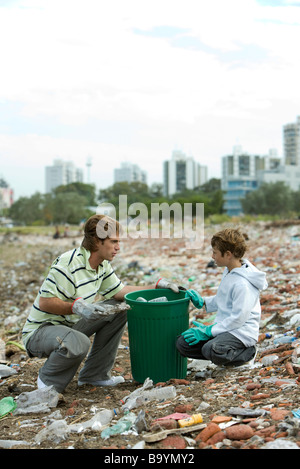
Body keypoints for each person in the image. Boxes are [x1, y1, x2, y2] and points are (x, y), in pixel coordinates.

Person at [22, 214, 177, 393]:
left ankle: (95, 375)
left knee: (121, 309)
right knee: (78, 342)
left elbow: (120, 292)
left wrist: (157, 286)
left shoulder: (101, 265)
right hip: (41, 331)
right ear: (97, 242)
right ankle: (47, 383)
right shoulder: (68, 264)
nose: (118, 247)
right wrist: (76, 307)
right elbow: (45, 303)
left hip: (70, 326)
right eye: (113, 242)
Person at [176, 228, 268, 367]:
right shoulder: (229, 271)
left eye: (215, 252)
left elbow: (238, 319)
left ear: (228, 254)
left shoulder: (243, 284)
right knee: (183, 343)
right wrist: (203, 302)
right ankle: (224, 352)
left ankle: (247, 354)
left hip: (241, 332)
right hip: (225, 328)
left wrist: (208, 331)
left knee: (212, 349)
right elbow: (224, 299)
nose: (212, 256)